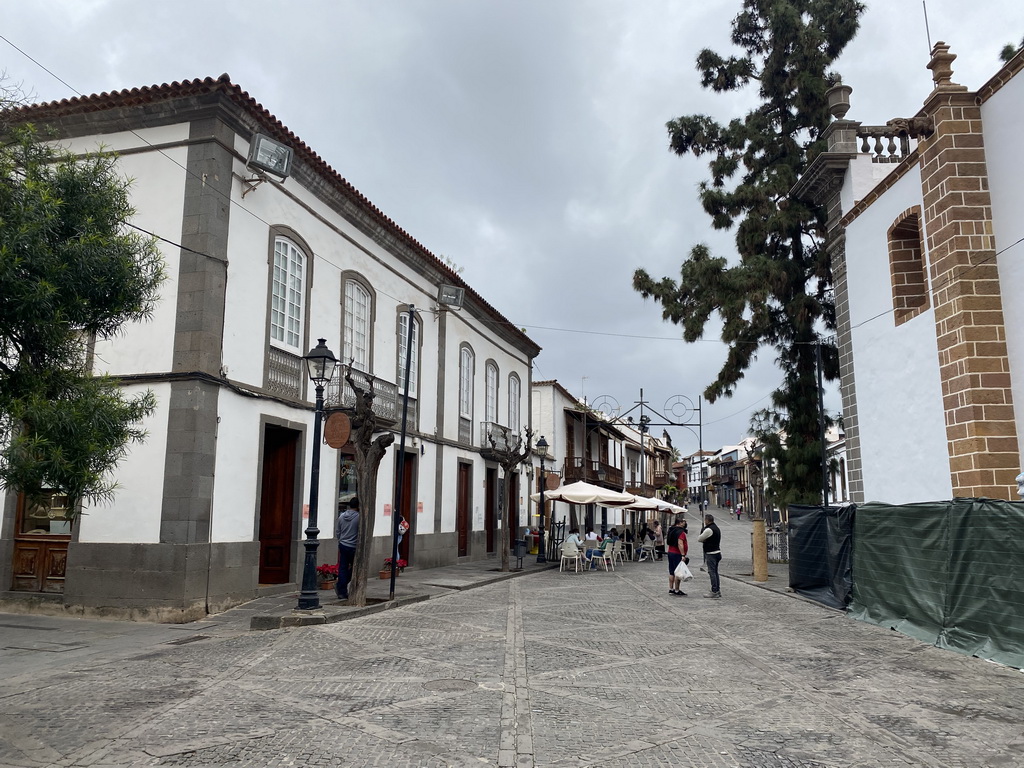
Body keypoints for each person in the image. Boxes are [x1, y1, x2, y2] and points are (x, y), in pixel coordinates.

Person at [335, 497, 360, 600]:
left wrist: (341, 539)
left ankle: (342, 591)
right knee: (356, 568)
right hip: (354, 546)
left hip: (343, 545)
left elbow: (337, 531)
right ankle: (342, 584)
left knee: (343, 568)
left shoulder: (341, 516)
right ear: (358, 506)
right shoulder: (358, 517)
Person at [698, 513, 722, 599]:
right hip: (717, 552)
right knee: (715, 572)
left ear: (707, 521)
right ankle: (717, 590)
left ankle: (714, 591)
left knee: (712, 572)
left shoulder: (708, 530)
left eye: (705, 520)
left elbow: (700, 538)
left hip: (711, 553)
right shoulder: (716, 528)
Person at [665, 515, 688, 596]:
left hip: (670, 552)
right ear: (680, 523)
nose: (685, 524)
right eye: (684, 522)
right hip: (677, 553)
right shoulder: (681, 532)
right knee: (678, 572)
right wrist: (683, 554)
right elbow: (680, 543)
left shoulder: (671, 529)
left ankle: (671, 589)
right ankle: (677, 590)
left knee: (671, 572)